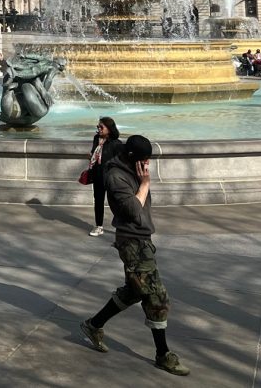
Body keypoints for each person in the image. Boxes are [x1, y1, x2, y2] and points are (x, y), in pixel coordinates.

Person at [79, 134, 190, 376]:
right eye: (145, 161)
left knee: (134, 290)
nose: (147, 166)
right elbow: (131, 210)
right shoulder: (116, 176)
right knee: (156, 298)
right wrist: (145, 183)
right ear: (133, 158)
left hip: (142, 240)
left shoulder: (131, 169)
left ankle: (94, 324)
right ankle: (163, 355)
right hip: (132, 242)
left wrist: (142, 180)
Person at [87, 117, 123, 237]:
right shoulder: (96, 138)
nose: (99, 129)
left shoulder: (116, 143)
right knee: (98, 200)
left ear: (109, 128)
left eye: (101, 127)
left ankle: (121, 226)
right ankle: (99, 226)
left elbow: (120, 161)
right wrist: (92, 156)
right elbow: (94, 151)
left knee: (115, 201)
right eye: (98, 127)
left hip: (111, 176)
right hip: (97, 174)